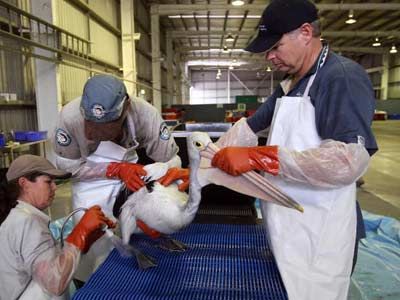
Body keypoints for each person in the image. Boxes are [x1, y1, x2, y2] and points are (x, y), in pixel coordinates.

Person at [211, 1, 378, 299]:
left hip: (321, 230)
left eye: (275, 46)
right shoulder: (291, 82)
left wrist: (258, 157)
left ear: (305, 33)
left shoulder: (340, 77)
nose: (270, 57)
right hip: (287, 223)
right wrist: (200, 168)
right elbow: (249, 129)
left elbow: (347, 161)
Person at [52, 74, 182, 280]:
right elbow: (67, 168)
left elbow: (173, 162)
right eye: (93, 127)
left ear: (126, 108)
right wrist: (115, 169)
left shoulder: (146, 115)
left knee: (139, 233)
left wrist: (161, 202)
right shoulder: (69, 118)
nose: (97, 133)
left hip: (131, 174)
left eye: (107, 128)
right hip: (89, 182)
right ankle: (96, 282)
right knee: (96, 244)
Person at [0, 154, 115, 299]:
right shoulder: (26, 222)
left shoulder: (16, 215)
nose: (55, 187)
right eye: (48, 182)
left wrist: (84, 241)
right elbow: (54, 282)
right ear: (24, 183)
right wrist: (80, 233)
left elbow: (41, 259)